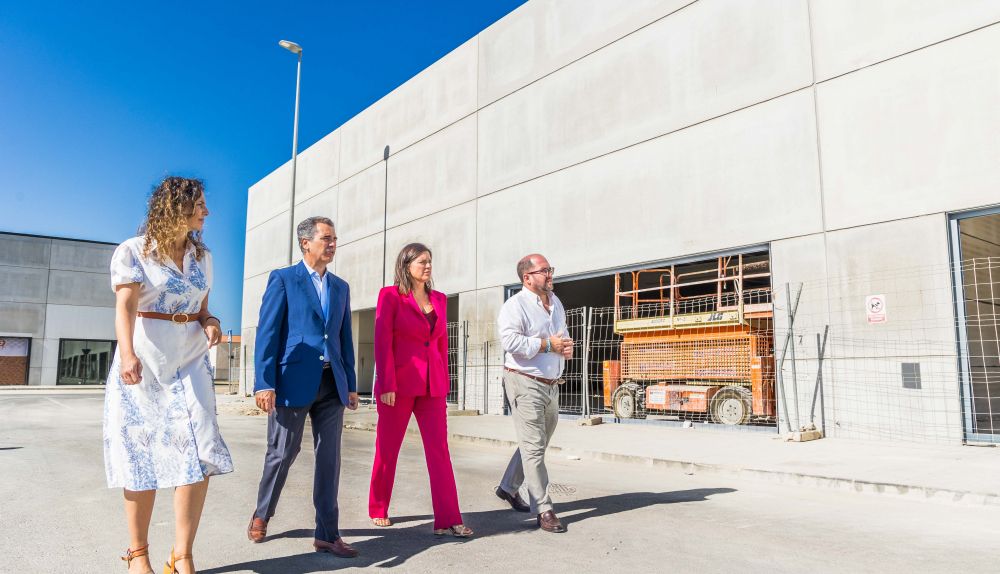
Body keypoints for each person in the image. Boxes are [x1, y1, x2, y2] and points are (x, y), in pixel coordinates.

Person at [105, 176, 234, 574]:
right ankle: (138, 554)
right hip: (146, 359)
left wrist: (211, 322)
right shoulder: (134, 251)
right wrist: (127, 354)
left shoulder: (203, 257)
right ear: (176, 206)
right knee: (140, 453)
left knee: (200, 451)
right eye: (200, 204)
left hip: (191, 359)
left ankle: (182, 554)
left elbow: (202, 309)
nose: (207, 211)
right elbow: (126, 308)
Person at [248, 216, 360, 558]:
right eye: (326, 238)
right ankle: (263, 512)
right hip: (292, 381)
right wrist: (264, 382)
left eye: (334, 238)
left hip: (331, 382)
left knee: (329, 459)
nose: (332, 244)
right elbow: (268, 333)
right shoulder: (284, 279)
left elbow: (344, 338)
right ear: (305, 243)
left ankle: (327, 533)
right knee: (283, 451)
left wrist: (351, 383)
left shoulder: (340, 287)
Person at [368, 243, 473, 538]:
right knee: (387, 449)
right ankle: (378, 507)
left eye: (430, 261)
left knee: (440, 451)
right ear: (406, 265)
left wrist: (445, 382)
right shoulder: (390, 296)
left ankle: (448, 519)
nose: (427, 266)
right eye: (422, 262)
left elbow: (440, 344)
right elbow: (382, 342)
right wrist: (386, 383)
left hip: (432, 387)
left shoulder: (439, 299)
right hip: (398, 386)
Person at [495, 254, 573, 533]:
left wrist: (565, 347)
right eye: (544, 270)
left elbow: (560, 335)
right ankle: (543, 508)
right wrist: (548, 346)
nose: (550, 274)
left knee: (536, 443)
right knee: (534, 446)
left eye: (550, 269)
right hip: (524, 381)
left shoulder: (556, 302)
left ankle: (508, 487)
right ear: (527, 277)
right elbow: (510, 341)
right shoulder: (514, 306)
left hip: (551, 383)